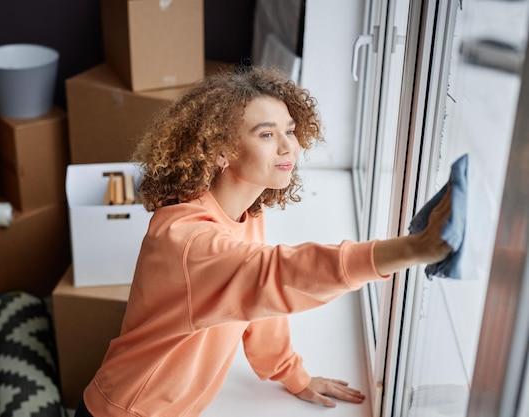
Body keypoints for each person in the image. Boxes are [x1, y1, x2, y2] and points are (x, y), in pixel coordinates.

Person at [74, 66, 452, 417]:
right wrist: (411, 249)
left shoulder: (247, 212)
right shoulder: (187, 240)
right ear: (221, 150)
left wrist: (293, 376)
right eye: (267, 134)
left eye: (289, 130)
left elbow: (254, 305)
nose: (290, 147)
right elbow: (273, 275)